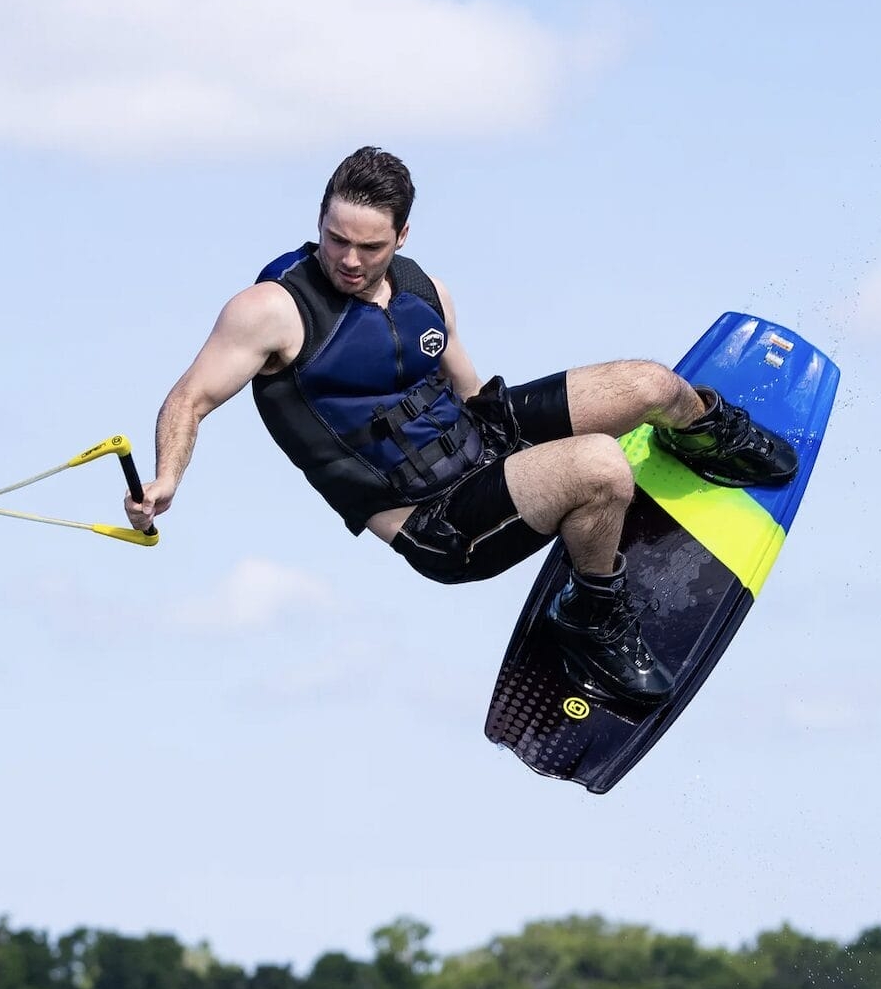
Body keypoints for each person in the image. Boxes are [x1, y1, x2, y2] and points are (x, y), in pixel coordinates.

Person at [125, 147, 796, 705]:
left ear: (402, 237)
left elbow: (475, 395)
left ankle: (699, 434)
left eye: (369, 246)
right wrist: (166, 478)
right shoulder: (271, 310)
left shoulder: (426, 292)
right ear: (319, 222)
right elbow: (189, 398)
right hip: (436, 521)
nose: (349, 260)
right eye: (336, 239)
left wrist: (543, 442)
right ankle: (589, 613)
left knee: (651, 383)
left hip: (483, 450)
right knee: (600, 467)